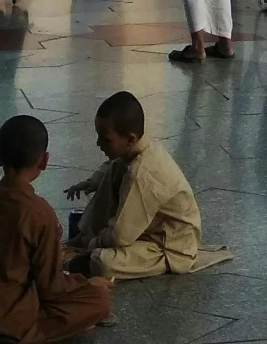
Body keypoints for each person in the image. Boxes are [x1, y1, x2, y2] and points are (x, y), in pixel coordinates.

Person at [0, 115, 114, 343]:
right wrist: (86, 283)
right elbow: (51, 287)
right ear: (44, 160)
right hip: (12, 326)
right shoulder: (39, 213)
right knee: (99, 300)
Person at [64, 91, 229, 281]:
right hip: (147, 226)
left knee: (104, 263)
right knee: (113, 170)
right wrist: (94, 180)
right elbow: (111, 165)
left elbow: (120, 237)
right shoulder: (137, 148)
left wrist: (95, 244)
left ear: (131, 139)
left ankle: (88, 245)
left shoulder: (142, 174)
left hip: (170, 244)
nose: (99, 143)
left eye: (106, 139)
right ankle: (83, 238)